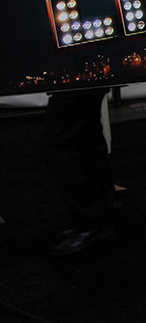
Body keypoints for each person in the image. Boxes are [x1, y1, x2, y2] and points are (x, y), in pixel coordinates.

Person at [42, 88, 116, 255]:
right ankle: (96, 222)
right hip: (86, 82)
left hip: (77, 84)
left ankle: (89, 221)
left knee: (58, 143)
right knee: (87, 139)